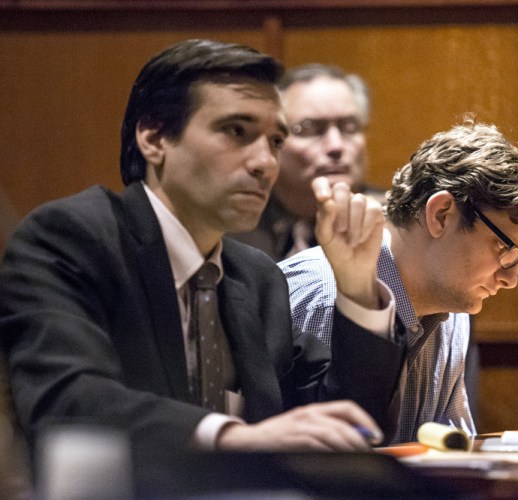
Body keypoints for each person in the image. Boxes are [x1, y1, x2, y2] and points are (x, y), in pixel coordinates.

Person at [0, 39, 406, 458]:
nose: (265, 162)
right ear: (154, 136)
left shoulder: (257, 276)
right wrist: (231, 436)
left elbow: (347, 423)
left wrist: (357, 285)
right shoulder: (72, 239)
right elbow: (66, 399)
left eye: (275, 142)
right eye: (236, 131)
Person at [281, 116, 518, 444]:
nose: (511, 280)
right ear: (441, 215)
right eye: (506, 251)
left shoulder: (454, 314)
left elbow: (447, 456)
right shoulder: (321, 294)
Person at [230, 64, 383, 261]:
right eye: (309, 128)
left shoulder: (398, 226)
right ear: (272, 141)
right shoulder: (231, 232)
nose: (335, 146)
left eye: (349, 127)